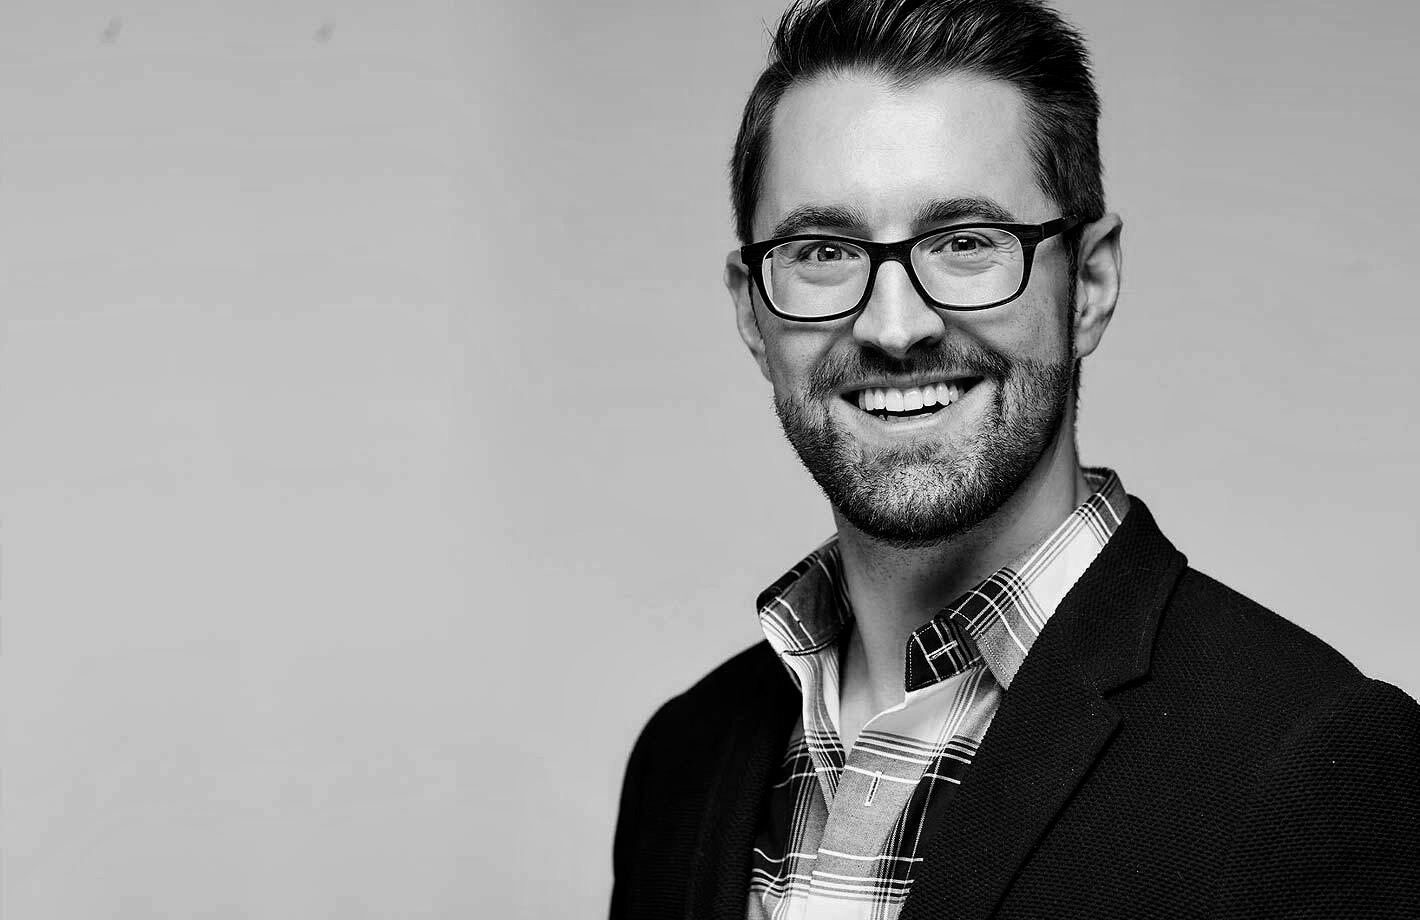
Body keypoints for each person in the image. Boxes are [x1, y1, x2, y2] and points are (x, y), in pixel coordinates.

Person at [608, 1, 1420, 917]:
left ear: (1091, 283)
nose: (894, 328)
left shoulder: (1310, 760)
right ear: (752, 312)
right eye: (824, 251)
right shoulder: (682, 761)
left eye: (964, 243)